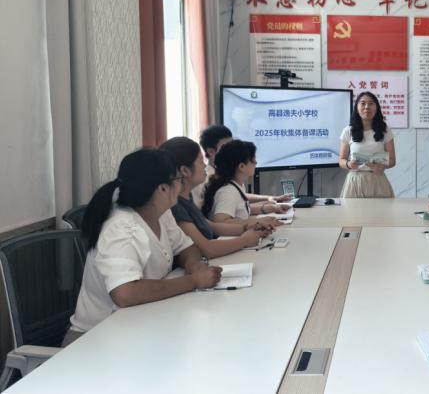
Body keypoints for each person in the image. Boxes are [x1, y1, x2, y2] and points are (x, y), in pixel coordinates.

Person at [63, 149, 222, 346]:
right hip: (96, 340)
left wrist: (195, 266)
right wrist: (193, 280)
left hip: (140, 325)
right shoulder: (121, 228)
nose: (182, 185)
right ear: (162, 188)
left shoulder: (161, 212)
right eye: (179, 179)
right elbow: (125, 293)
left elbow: (186, 248)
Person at [160, 137, 277, 258]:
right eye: (201, 161)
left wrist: (248, 227)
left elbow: (212, 226)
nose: (205, 165)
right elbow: (208, 249)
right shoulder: (176, 206)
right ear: (185, 170)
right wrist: (245, 240)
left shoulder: (187, 197)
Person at [194, 124, 292, 208]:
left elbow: (239, 196)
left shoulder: (228, 171)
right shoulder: (203, 179)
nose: (232, 149)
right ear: (211, 151)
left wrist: (270, 199)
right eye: (226, 146)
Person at [202, 140, 288, 223]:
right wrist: (258, 222)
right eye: (253, 160)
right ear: (242, 167)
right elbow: (221, 221)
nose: (256, 163)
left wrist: (271, 208)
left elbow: (241, 210)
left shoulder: (236, 185)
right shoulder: (229, 192)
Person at [338, 91, 396, 198]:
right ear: (357, 108)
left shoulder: (385, 130)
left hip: (377, 180)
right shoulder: (348, 131)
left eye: (371, 103)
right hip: (355, 180)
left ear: (376, 108)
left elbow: (392, 160)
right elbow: (341, 160)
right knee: (352, 210)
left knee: (381, 210)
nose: (367, 107)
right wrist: (348, 164)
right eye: (363, 103)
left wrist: (382, 165)